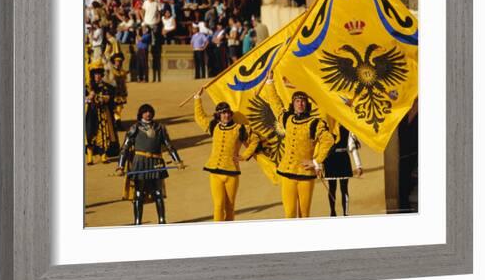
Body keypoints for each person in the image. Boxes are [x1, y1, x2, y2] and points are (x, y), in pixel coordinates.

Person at [265, 70, 334, 218]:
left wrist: (316, 162)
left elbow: (328, 140)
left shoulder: (315, 123)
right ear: (293, 104)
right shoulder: (288, 119)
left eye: (303, 101)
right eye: (297, 101)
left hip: (305, 174)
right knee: (289, 213)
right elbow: (276, 105)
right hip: (287, 173)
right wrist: (270, 82)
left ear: (306, 104)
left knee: (304, 215)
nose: (300, 104)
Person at [194, 87, 259, 221]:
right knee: (218, 205)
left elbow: (255, 140)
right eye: (223, 113)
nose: (226, 115)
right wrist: (197, 99)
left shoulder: (240, 128)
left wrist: (245, 156)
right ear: (218, 115)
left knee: (230, 206)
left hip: (231, 173)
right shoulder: (214, 127)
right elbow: (200, 118)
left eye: (228, 112)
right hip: (215, 173)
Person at [116, 104, 185, 224]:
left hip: (156, 162)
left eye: (150, 112)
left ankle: (162, 220)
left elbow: (169, 145)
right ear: (141, 114)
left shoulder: (159, 128)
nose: (148, 114)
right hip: (140, 162)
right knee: (138, 194)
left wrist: (177, 160)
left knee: (158, 193)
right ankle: (138, 221)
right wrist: (120, 166)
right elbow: (125, 148)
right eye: (145, 112)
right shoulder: (135, 128)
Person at [322, 125, 363, 216]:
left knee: (344, 189)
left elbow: (352, 148)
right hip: (330, 160)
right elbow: (321, 147)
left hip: (343, 159)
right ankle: (332, 212)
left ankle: (346, 213)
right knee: (332, 188)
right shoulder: (326, 127)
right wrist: (318, 166)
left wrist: (358, 165)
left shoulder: (348, 128)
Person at [85, 61, 119, 165]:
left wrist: (100, 98)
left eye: (99, 74)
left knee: (104, 133)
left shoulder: (106, 87)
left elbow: (109, 98)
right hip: (90, 113)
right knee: (90, 133)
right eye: (96, 74)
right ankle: (90, 156)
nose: (98, 76)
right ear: (92, 76)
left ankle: (103, 155)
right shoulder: (87, 87)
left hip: (103, 113)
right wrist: (88, 98)